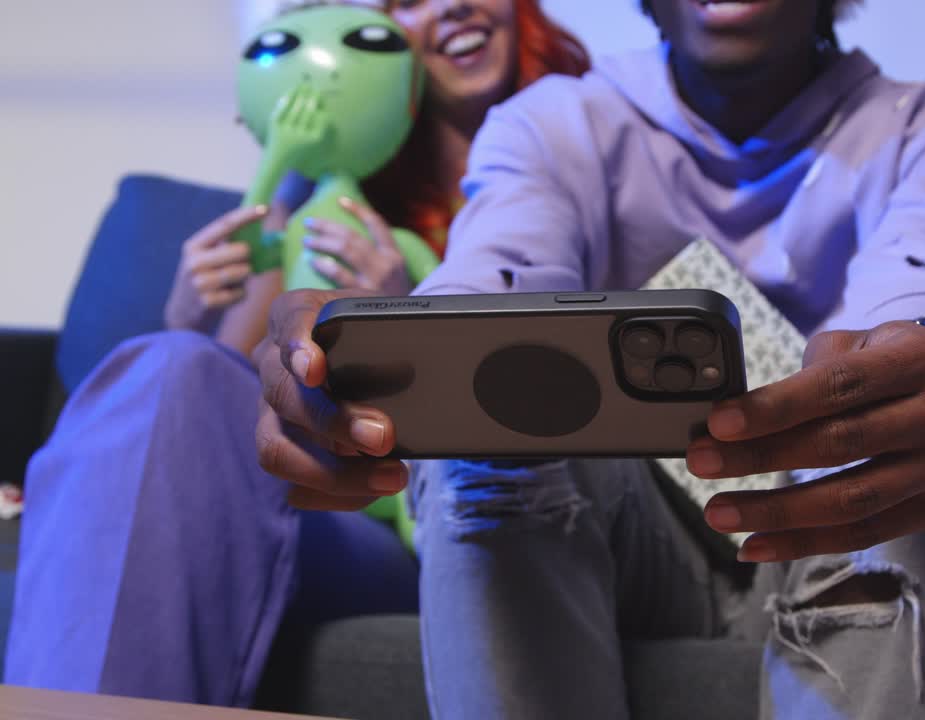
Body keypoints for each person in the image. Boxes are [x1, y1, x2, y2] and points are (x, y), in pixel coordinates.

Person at [254, 0, 925, 717]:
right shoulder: (555, 123)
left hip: (856, 528)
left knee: (895, 427)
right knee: (477, 446)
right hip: (645, 551)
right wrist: (369, 362)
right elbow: (494, 269)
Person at [4, 0, 588, 707]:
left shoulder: (590, 150)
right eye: (407, 0)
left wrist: (412, 321)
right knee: (171, 367)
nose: (452, 5)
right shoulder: (318, 196)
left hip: (441, 530)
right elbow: (220, 405)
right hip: (316, 511)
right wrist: (186, 318)